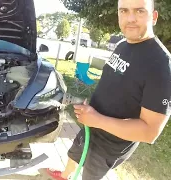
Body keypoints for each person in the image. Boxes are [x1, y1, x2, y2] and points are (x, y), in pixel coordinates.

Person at [47, 0, 171, 179]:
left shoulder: (160, 65)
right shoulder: (122, 44)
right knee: (75, 152)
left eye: (139, 11)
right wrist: (93, 112)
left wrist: (97, 120)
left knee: (90, 173)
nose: (130, 18)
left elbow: (149, 132)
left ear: (154, 17)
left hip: (111, 143)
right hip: (92, 124)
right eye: (124, 11)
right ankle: (65, 176)